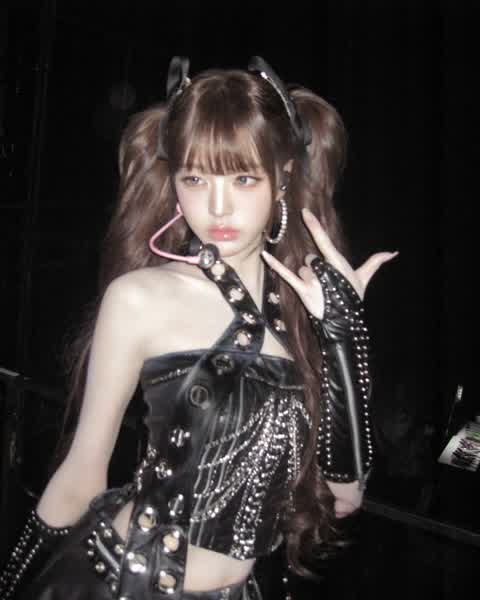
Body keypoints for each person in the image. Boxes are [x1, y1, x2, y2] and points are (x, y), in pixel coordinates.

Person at [0, 56, 397, 600]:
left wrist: (343, 336)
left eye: (243, 178)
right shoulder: (139, 298)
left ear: (282, 176)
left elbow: (345, 494)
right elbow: (81, 474)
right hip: (123, 582)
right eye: (195, 178)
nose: (217, 206)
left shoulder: (302, 319)